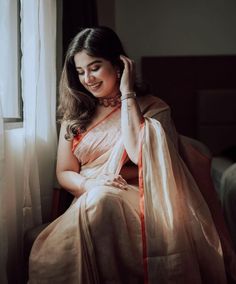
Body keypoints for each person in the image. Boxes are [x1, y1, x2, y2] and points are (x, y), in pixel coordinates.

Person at [28, 26, 236, 283]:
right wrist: (89, 183)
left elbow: (140, 155)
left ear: (119, 65)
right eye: (80, 71)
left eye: (95, 67)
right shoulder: (75, 114)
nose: (87, 78)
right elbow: (64, 172)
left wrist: (127, 94)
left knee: (104, 199)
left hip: (138, 197)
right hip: (89, 194)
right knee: (100, 199)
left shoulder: (153, 107)